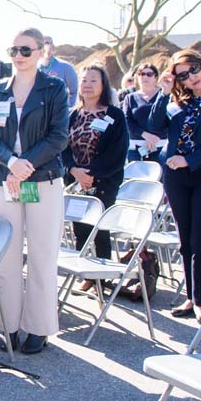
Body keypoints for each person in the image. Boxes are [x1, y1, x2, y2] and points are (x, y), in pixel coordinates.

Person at [0, 28, 70, 355]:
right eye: (14, 50)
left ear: (40, 51)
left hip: (42, 180)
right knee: (5, 256)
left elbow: (58, 136)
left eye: (25, 50)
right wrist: (12, 163)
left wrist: (26, 165)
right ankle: (9, 325)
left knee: (41, 254)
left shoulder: (54, 88)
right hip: (6, 181)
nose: (18, 56)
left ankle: (38, 327)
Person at [148, 49, 201, 319]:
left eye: (193, 69)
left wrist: (191, 159)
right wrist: (164, 92)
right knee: (185, 239)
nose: (191, 77)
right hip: (176, 177)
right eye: (182, 75)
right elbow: (155, 126)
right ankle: (190, 297)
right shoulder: (178, 103)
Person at [62, 64, 126, 259]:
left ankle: (102, 277)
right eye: (84, 81)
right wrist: (74, 171)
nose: (87, 85)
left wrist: (90, 174)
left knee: (100, 231)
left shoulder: (114, 115)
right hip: (75, 182)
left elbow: (117, 152)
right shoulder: (72, 114)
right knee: (79, 229)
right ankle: (86, 274)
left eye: (93, 81)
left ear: (103, 85)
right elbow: (62, 147)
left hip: (102, 182)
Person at [122, 62, 165, 161]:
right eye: (141, 74)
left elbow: (169, 119)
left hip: (160, 145)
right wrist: (145, 135)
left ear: (156, 77)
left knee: (162, 176)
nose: (145, 77)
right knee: (136, 176)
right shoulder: (130, 98)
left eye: (149, 74)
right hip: (137, 148)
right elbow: (126, 120)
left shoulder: (164, 95)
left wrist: (154, 138)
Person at [39, 34, 79, 106]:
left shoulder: (65, 67)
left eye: (47, 43)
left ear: (53, 47)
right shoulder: (33, 68)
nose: (44, 46)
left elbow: (74, 92)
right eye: (41, 44)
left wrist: (68, 109)